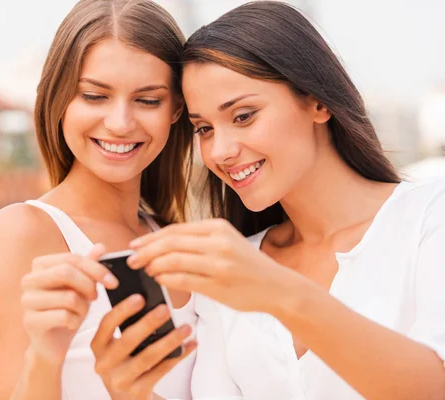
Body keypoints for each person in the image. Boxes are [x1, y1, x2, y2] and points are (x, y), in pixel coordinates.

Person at [91, 2, 445, 399]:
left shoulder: (429, 219)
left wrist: (277, 291)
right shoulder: (231, 270)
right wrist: (130, 392)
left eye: (243, 116)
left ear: (316, 101)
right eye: (204, 128)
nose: (220, 151)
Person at [0, 1, 198, 399]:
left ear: (176, 109)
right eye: (94, 96)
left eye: (148, 100)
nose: (121, 123)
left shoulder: (175, 238)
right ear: (59, 99)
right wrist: (45, 354)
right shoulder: (21, 233)